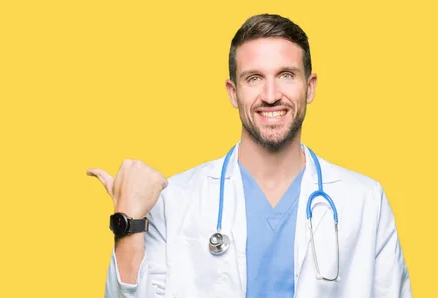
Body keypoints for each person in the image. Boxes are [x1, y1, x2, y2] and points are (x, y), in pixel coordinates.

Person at [87, 13, 412, 298]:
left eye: (286, 75)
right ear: (233, 92)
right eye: (254, 78)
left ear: (310, 86)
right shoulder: (174, 201)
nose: (271, 96)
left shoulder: (365, 200)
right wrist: (128, 219)